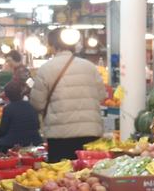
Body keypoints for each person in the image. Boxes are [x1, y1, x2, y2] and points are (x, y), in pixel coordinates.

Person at [30, 28, 106, 163]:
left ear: (53, 46)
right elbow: (100, 96)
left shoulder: (46, 69)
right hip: (90, 132)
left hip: (60, 134)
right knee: (87, 177)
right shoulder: (89, 67)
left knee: (62, 178)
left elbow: (38, 103)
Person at [0, 81, 42, 153]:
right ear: (21, 93)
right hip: (35, 140)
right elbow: (37, 124)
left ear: (7, 95)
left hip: (13, 143)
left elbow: (3, 131)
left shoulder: (8, 109)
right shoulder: (32, 105)